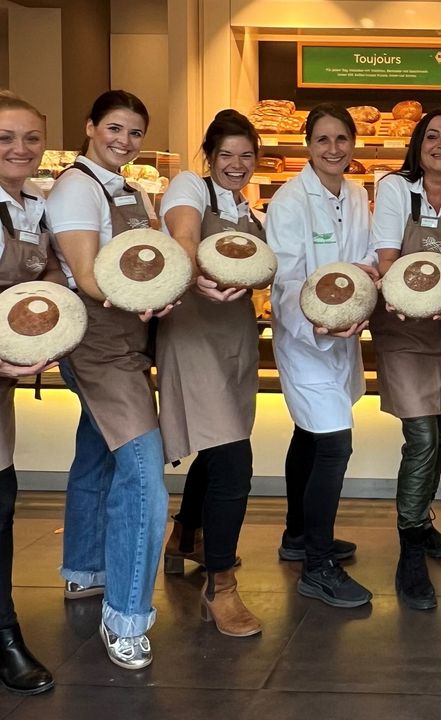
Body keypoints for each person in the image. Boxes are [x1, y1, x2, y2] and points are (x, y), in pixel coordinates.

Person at [46, 90, 170, 670]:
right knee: (144, 473)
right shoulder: (75, 185)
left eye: (135, 133)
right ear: (91, 126)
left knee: (97, 450)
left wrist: (159, 290)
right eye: (115, 128)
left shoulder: (134, 190)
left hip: (127, 338)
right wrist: (146, 297)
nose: (125, 140)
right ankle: (125, 617)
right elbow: (91, 274)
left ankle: (84, 569)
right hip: (98, 342)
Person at [154, 109, 266, 636]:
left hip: (236, 338)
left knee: (222, 440)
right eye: (227, 155)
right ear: (210, 156)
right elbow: (182, 235)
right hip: (195, 333)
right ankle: (220, 586)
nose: (237, 165)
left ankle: (184, 537)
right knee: (233, 461)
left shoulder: (245, 204)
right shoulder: (188, 186)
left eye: (246, 156)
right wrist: (193, 269)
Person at [369, 109, 441, 610]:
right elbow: (388, 259)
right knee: (420, 436)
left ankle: (423, 515)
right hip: (402, 325)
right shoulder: (395, 188)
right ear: (418, 145)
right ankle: (409, 547)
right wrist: (418, 298)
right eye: (432, 136)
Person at [267, 103, 374, 608]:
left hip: (345, 335)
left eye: (341, 140)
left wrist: (366, 282)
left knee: (308, 438)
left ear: (353, 144)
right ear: (307, 145)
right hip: (304, 339)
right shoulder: (290, 200)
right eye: (323, 140)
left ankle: (297, 535)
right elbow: (285, 277)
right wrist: (313, 320)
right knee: (333, 444)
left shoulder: (356, 194)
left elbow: (369, 254)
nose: (333, 149)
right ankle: (317, 565)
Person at [0, 91, 59, 695]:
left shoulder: (32, 207)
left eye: (31, 138)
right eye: (4, 138)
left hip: (5, 388)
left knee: (0, 507)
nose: (20, 149)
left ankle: (4, 633)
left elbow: (39, 273)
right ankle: (7, 638)